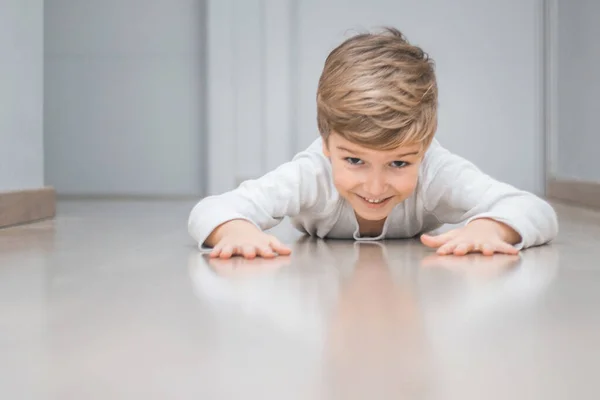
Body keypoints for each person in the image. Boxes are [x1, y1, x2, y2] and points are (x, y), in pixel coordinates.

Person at [188, 27, 558, 259]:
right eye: (354, 161)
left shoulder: (435, 170)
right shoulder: (310, 172)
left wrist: (491, 227)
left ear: (425, 145)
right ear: (326, 143)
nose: (375, 186)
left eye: (399, 163)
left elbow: (535, 210)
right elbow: (212, 209)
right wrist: (236, 229)